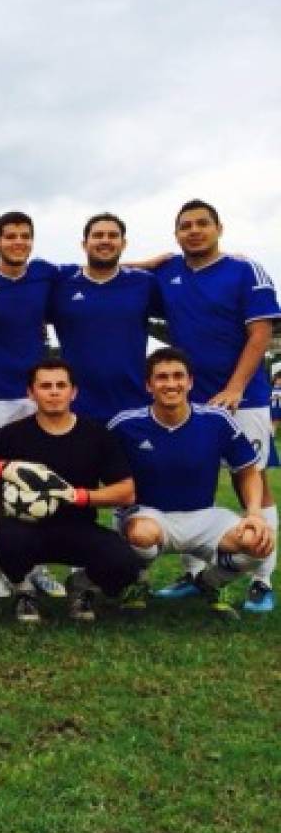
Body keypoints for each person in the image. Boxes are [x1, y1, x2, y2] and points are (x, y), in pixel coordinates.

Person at [150, 200, 281, 612]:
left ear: (219, 228)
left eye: (202, 224)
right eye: (185, 226)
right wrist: (151, 260)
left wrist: (237, 387)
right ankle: (194, 575)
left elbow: (260, 335)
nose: (194, 231)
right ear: (175, 235)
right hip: (188, 401)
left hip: (242, 399)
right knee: (191, 483)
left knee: (254, 481)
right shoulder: (168, 274)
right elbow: (118, 271)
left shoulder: (246, 271)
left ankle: (261, 581)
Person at [0, 358, 140, 623]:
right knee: (8, 540)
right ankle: (24, 591)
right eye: (45, 386)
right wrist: (1, 469)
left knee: (125, 564)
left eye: (61, 385)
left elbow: (126, 492)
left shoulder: (96, 435)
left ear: (74, 392)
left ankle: (81, 586)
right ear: (31, 393)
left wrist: (79, 496)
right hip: (27, 528)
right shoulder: (14, 434)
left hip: (79, 528)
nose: (54, 392)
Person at [108, 348, 275, 618]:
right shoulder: (125, 425)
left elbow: (247, 471)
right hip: (148, 515)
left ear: (190, 382)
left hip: (204, 516)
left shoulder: (216, 420)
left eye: (178, 376)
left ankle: (210, 583)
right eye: (162, 377)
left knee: (258, 542)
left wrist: (254, 512)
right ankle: (138, 582)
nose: (171, 384)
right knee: (141, 535)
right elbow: (103, 471)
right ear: (149, 385)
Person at [0, 212, 65, 599]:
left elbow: (97, 269)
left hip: (36, 394)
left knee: (42, 481)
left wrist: (152, 262)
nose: (18, 242)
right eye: (10, 236)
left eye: (24, 236)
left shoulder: (46, 274)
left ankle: (36, 567)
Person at [48, 213, 160, 424]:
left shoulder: (145, 283)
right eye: (98, 235)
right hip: (74, 407)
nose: (105, 240)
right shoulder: (60, 284)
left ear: (123, 243)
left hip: (133, 406)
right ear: (84, 244)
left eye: (112, 235)